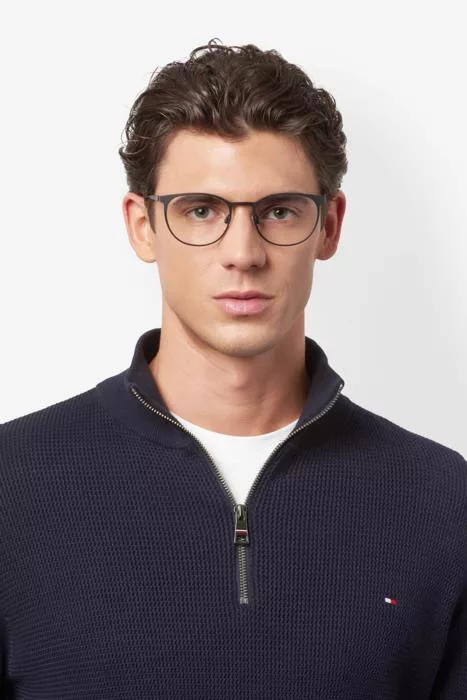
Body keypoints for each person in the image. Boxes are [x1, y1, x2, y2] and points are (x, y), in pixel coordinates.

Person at [0, 38, 465, 699]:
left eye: (279, 211)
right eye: (201, 210)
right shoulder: (14, 486)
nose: (242, 252)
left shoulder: (442, 502)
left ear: (329, 226)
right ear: (142, 226)